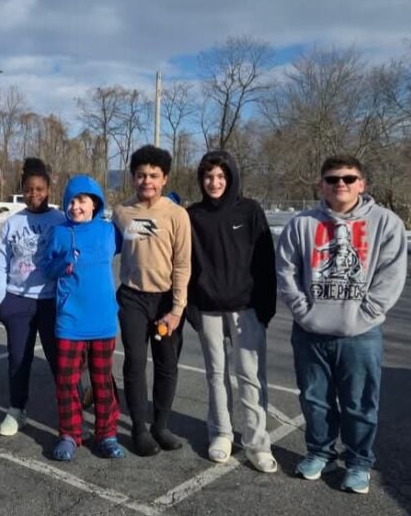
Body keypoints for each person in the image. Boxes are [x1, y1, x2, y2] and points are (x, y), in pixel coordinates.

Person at [276, 154, 407, 494]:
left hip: (360, 335)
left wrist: (364, 315)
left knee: (359, 402)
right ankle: (319, 452)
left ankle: (359, 461)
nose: (341, 185)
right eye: (333, 179)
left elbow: (391, 277)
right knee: (314, 399)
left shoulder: (386, 223)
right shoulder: (302, 224)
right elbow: (286, 272)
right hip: (310, 332)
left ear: (361, 184)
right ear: (321, 185)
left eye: (349, 179)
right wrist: (304, 312)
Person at [186, 151, 278, 473]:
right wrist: (191, 306)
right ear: (202, 180)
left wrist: (266, 306)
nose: (214, 182)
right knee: (215, 374)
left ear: (231, 178)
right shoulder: (193, 215)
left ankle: (256, 442)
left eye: (221, 177)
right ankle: (221, 433)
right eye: (209, 176)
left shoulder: (250, 211)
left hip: (247, 309)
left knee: (251, 377)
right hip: (209, 309)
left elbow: (266, 260)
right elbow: (185, 264)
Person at [111, 145, 192, 456]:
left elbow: (183, 264)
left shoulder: (177, 215)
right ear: (133, 178)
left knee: (166, 365)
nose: (147, 180)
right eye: (141, 175)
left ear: (165, 179)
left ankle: (161, 425)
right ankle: (140, 429)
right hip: (132, 298)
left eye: (154, 176)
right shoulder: (122, 212)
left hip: (165, 303)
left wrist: (176, 309)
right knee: (134, 362)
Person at [42, 175, 125, 461]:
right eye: (72, 201)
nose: (76, 206)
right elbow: (46, 267)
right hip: (70, 321)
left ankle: (107, 433)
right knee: (66, 382)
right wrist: (62, 264)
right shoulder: (60, 232)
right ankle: (69, 434)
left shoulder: (109, 232)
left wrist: (169, 205)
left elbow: (142, 234)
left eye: (83, 201)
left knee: (102, 381)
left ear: (95, 204)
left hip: (103, 321)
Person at [0, 158, 66, 436]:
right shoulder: (12, 223)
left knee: (60, 359)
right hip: (17, 300)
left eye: (40, 189)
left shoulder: (60, 220)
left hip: (50, 301)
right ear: (23, 189)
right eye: (29, 189)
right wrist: (0, 299)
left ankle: (68, 410)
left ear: (48, 190)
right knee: (19, 359)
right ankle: (16, 410)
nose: (34, 195)